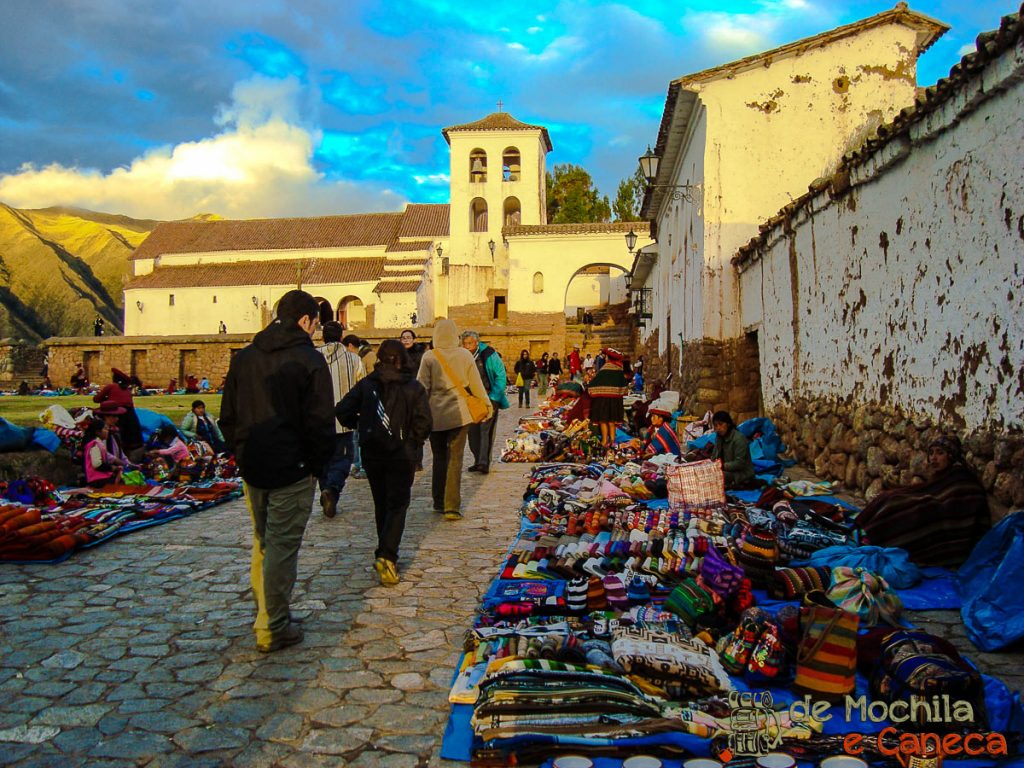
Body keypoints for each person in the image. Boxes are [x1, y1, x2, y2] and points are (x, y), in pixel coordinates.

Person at [219, 289, 335, 654]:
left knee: (263, 543)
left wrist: (241, 454)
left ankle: (266, 612)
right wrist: (316, 467)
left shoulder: (245, 358)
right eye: (316, 323)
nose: (316, 330)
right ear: (305, 320)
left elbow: (228, 417)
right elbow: (319, 424)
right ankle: (273, 625)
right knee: (282, 547)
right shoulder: (309, 361)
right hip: (292, 469)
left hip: (253, 466)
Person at [337, 339, 431, 586]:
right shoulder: (413, 387)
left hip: (374, 452)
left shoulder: (367, 386)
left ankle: (385, 549)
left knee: (382, 503)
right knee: (397, 504)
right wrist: (413, 443)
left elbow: (343, 410)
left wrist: (363, 425)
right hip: (400, 454)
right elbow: (424, 422)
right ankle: (387, 555)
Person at [856, 435, 990, 566]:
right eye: (931, 453)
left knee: (910, 507)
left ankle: (879, 540)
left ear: (950, 456)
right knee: (889, 497)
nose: (934, 458)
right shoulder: (940, 476)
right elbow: (931, 491)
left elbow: (954, 502)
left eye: (940, 453)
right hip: (935, 502)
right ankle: (868, 532)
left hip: (943, 517)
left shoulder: (961, 478)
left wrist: (928, 501)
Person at [418, 319, 490, 520]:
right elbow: (476, 385)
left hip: (435, 415)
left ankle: (438, 500)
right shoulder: (465, 355)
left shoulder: (429, 357)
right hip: (459, 414)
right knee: (455, 459)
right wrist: (487, 405)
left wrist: (418, 413)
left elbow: (421, 387)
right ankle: (452, 506)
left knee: (439, 458)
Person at [316, 321, 365, 518]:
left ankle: (325, 490)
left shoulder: (313, 357)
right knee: (343, 459)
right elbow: (361, 388)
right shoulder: (353, 359)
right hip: (343, 420)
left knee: (322, 461)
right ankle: (332, 489)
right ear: (342, 336)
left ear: (322, 336)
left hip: (318, 421)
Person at [462, 330, 508, 474]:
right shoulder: (462, 356)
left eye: (470, 343)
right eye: (465, 343)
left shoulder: (489, 354)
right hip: (471, 400)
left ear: (477, 342)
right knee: (473, 432)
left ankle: (484, 462)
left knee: (485, 431)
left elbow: (501, 375)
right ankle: (477, 460)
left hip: (489, 397)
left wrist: (494, 397)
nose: (467, 346)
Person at [93, 368, 144, 461]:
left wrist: (106, 398)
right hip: (131, 417)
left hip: (116, 413)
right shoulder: (127, 391)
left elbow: (96, 399)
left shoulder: (111, 387)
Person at [587, 347, 628, 448]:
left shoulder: (604, 369)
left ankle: (605, 440)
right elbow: (623, 384)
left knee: (603, 420)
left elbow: (594, 384)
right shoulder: (619, 370)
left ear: (607, 358)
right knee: (612, 421)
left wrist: (591, 388)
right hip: (615, 400)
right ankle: (613, 441)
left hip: (602, 400)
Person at [711, 411, 756, 489]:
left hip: (741, 474)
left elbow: (740, 463)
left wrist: (722, 466)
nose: (718, 428)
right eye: (716, 425)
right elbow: (715, 456)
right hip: (725, 470)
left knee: (716, 477)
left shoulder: (739, 439)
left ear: (728, 424)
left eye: (721, 424)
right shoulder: (719, 438)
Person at [82, 418, 125, 487]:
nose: (107, 431)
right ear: (98, 432)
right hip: (97, 479)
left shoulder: (98, 443)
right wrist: (113, 468)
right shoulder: (95, 444)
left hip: (99, 478)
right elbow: (97, 464)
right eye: (105, 429)